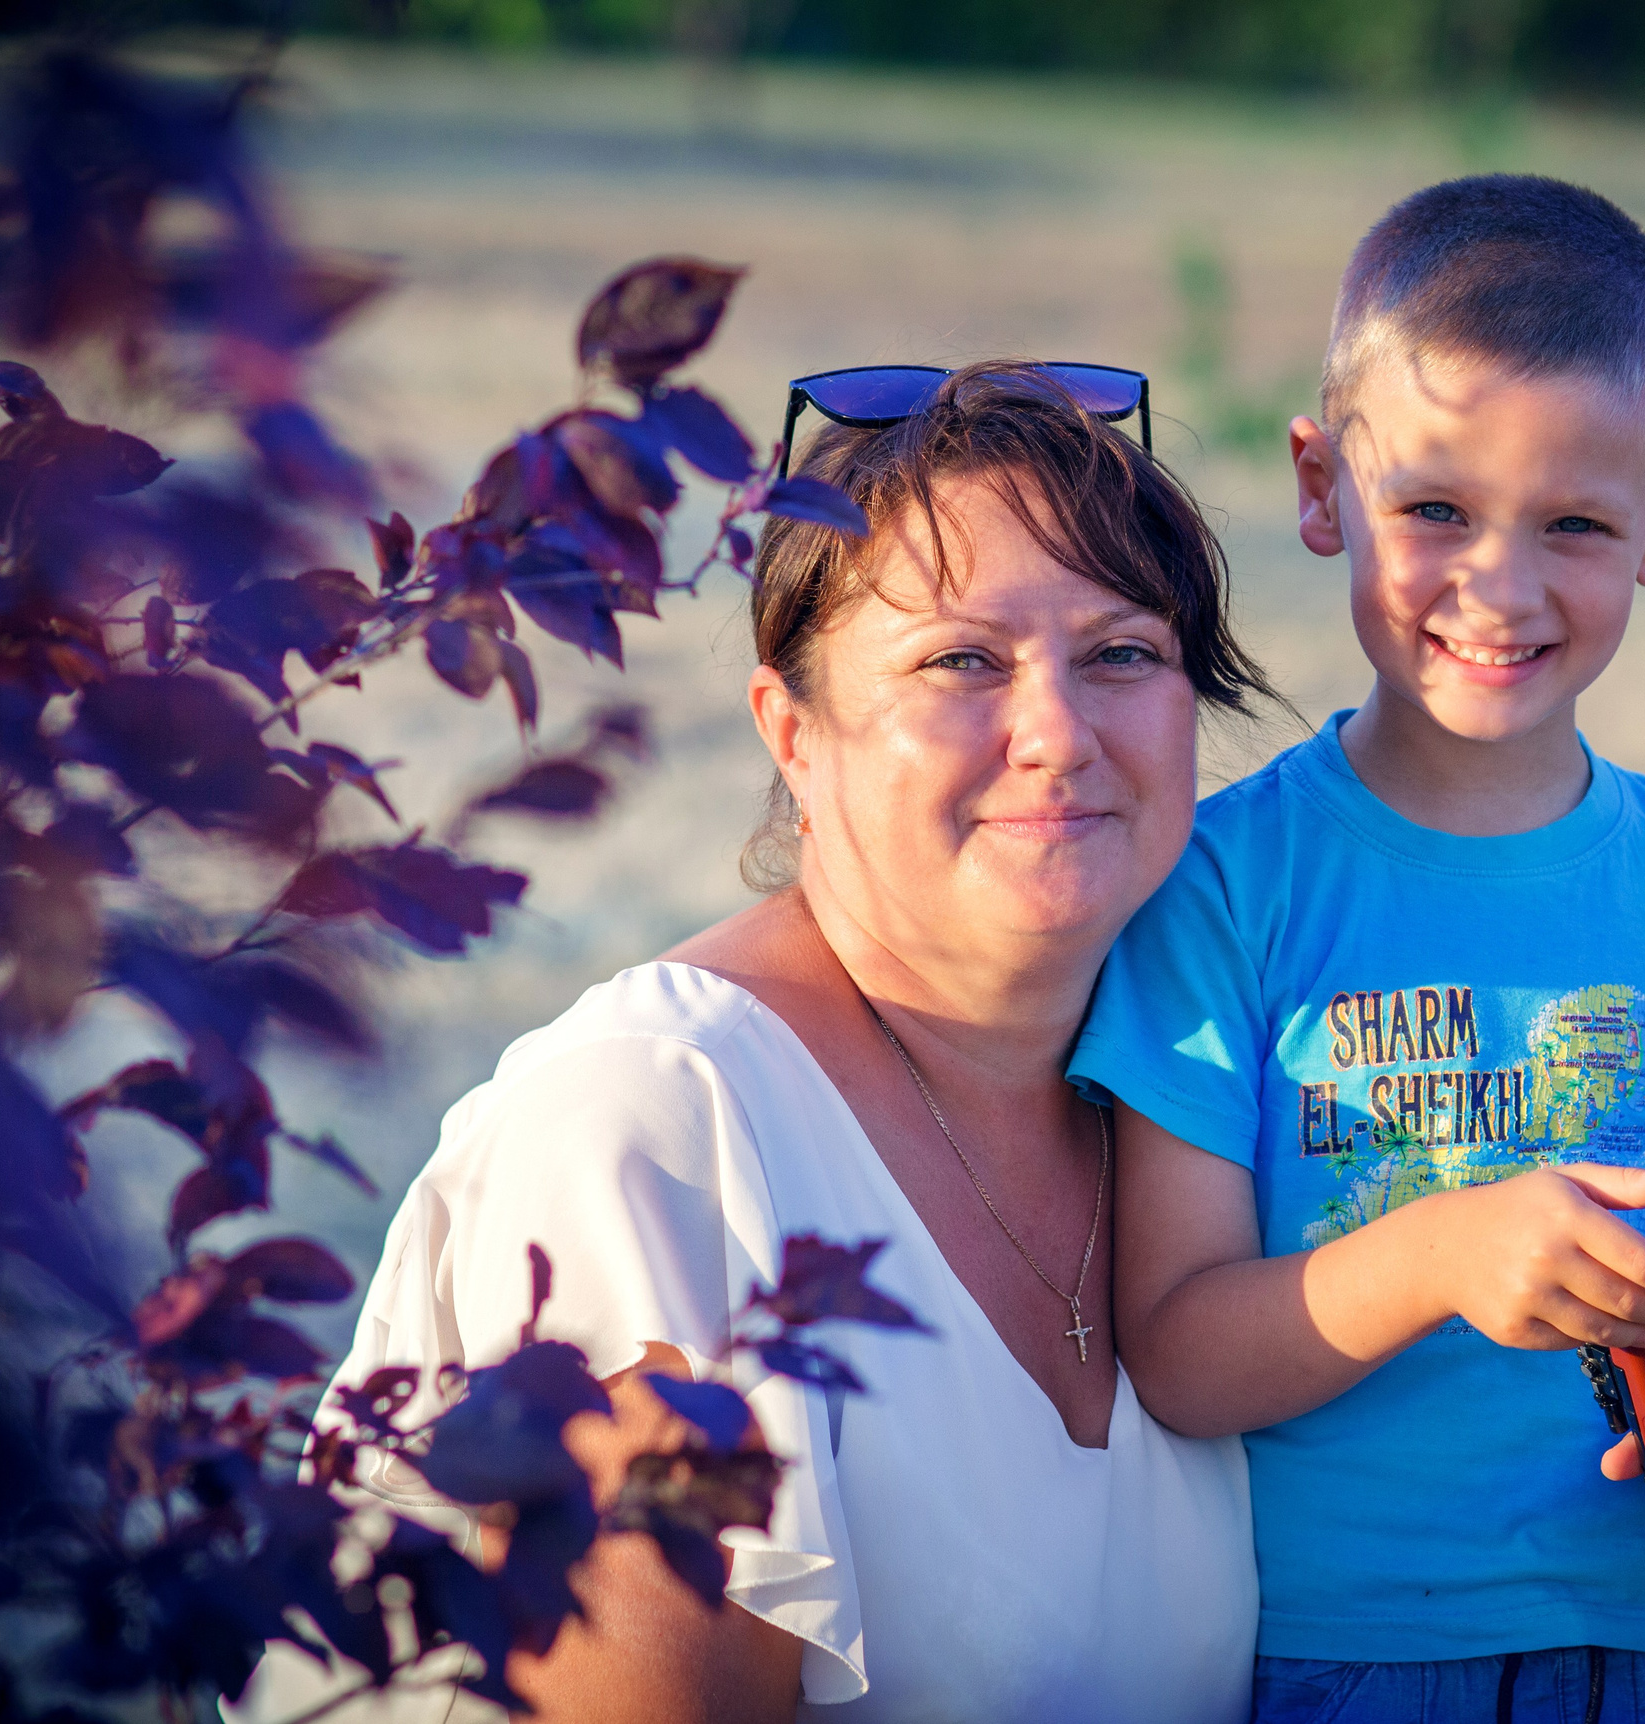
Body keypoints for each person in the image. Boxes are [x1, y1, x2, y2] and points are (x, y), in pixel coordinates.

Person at [238, 363, 1268, 1723]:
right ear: (794, 733)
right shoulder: (652, 1131)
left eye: (1121, 654)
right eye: (961, 660)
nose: (1058, 736)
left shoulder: (1201, 1097)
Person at [1070, 175, 1645, 1723]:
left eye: (1574, 524)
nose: (1500, 587)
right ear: (1322, 486)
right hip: (1350, 1649)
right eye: (1435, 511)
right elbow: (1179, 1350)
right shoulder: (1220, 892)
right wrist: (1443, 1256)